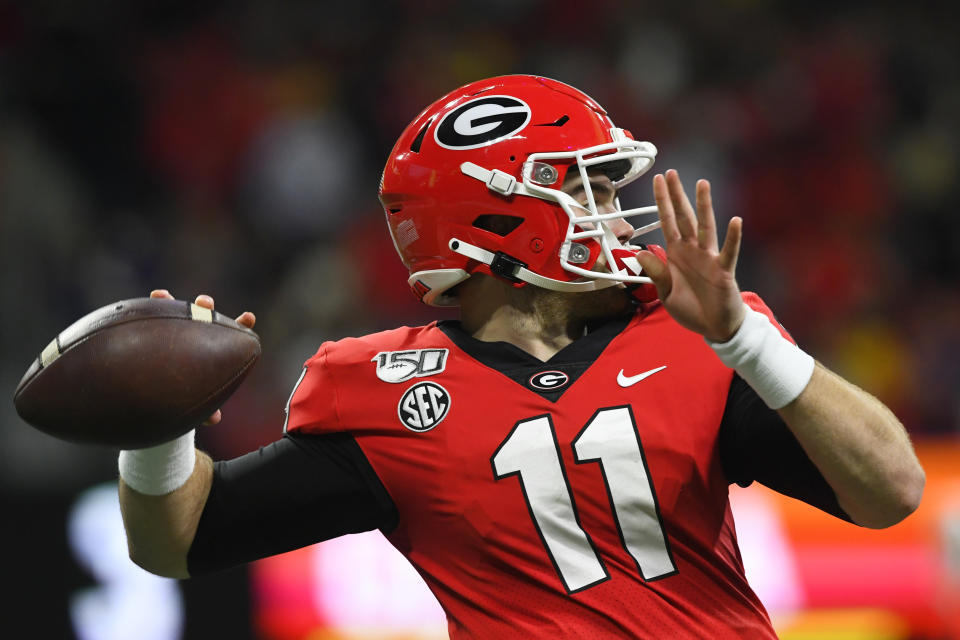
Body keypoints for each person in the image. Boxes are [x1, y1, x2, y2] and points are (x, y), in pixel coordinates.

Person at [118, 75, 925, 638]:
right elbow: (176, 542)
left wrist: (746, 340)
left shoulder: (698, 334)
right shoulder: (382, 391)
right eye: (590, 191)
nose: (615, 216)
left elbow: (892, 491)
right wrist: (157, 427)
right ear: (498, 219)